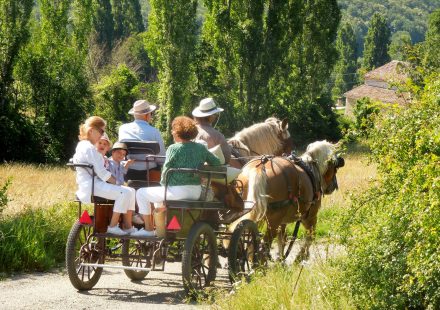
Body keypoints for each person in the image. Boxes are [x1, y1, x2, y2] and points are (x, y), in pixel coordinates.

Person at [132, 116, 221, 237]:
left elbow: (166, 170)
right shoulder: (201, 148)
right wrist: (202, 170)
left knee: (141, 193)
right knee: (159, 198)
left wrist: (163, 186)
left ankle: (149, 229)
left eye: (173, 130)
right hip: (195, 192)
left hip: (176, 192)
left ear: (178, 132)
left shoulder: (173, 149)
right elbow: (216, 162)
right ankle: (163, 228)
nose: (172, 132)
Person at [73, 116, 136, 236]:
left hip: (92, 183)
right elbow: (103, 174)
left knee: (131, 191)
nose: (102, 134)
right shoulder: (89, 148)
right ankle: (113, 226)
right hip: (92, 185)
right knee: (125, 192)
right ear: (91, 131)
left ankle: (128, 226)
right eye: (101, 131)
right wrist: (118, 183)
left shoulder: (82, 145)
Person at [118, 99, 166, 175]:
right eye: (151, 113)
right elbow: (161, 158)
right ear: (146, 115)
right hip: (150, 173)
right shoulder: (155, 132)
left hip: (127, 170)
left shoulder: (122, 129)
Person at [192, 97, 231, 164]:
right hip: (210, 173)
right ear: (211, 117)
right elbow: (226, 159)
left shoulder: (188, 131)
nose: (216, 116)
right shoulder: (218, 136)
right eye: (215, 114)